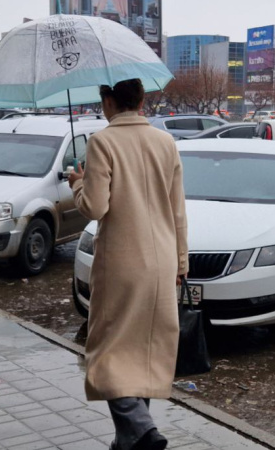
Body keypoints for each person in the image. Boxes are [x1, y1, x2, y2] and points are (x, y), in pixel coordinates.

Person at [68, 78, 188, 450]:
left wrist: (78, 183)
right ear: (140, 102)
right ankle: (130, 441)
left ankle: (144, 431)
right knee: (142, 350)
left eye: (102, 100)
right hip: (163, 259)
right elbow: (178, 209)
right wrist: (181, 262)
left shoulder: (103, 141)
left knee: (107, 351)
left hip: (122, 260)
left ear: (110, 102)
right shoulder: (165, 141)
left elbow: (95, 208)